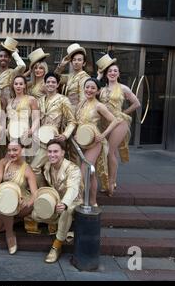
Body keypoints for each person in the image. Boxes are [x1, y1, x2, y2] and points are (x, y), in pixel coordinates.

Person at [97, 54, 141, 196]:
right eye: (109, 71)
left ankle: (111, 183)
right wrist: (98, 76)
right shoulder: (102, 89)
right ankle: (109, 181)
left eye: (115, 71)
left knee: (109, 152)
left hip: (118, 123)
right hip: (104, 123)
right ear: (106, 74)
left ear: (118, 73)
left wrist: (122, 113)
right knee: (110, 153)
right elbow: (90, 90)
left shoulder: (123, 88)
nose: (112, 73)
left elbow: (137, 103)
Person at [34, 140, 83, 263]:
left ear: (63, 153)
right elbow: (36, 171)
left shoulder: (73, 169)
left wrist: (65, 203)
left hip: (73, 202)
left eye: (55, 151)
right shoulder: (47, 167)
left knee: (67, 210)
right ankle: (59, 225)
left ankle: (57, 245)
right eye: (49, 152)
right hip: (56, 200)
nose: (52, 155)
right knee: (35, 214)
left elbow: (73, 189)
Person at [0, 141, 38, 255]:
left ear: (21, 150)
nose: (11, 153)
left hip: (21, 201)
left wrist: (28, 203)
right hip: (4, 197)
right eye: (9, 150)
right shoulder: (3, 162)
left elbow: (35, 193)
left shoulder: (27, 169)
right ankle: (14, 221)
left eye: (15, 150)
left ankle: (10, 235)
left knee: (9, 205)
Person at [74, 78, 119, 206]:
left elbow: (115, 120)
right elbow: (78, 122)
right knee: (91, 174)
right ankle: (92, 200)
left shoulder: (99, 105)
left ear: (98, 91)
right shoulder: (81, 103)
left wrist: (103, 134)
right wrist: (76, 133)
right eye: (87, 87)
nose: (89, 90)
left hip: (94, 142)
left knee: (85, 171)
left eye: (93, 88)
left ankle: (83, 201)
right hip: (81, 142)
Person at [30, 72, 76, 187]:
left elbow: (72, 121)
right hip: (40, 141)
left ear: (57, 84)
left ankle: (48, 193)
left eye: (53, 82)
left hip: (55, 141)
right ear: (44, 84)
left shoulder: (63, 100)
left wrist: (65, 135)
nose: (50, 84)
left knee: (39, 168)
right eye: (48, 82)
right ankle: (45, 192)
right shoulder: (40, 101)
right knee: (39, 168)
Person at [6, 75, 40, 158]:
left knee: (20, 158)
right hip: (10, 135)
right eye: (16, 84)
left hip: (24, 134)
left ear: (25, 85)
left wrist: (31, 130)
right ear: (13, 85)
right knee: (12, 159)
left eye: (21, 84)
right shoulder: (10, 101)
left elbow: (36, 118)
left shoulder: (31, 99)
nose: (18, 86)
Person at [55, 43, 90, 111]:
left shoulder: (85, 78)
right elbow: (55, 79)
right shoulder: (70, 76)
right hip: (67, 111)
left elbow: (83, 101)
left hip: (76, 113)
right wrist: (61, 66)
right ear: (71, 62)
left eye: (79, 60)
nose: (76, 62)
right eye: (74, 60)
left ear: (84, 63)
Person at [0, 37, 26, 101]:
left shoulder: (12, 72)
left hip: (9, 103)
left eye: (5, 56)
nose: (3, 58)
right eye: (1, 56)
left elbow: (22, 66)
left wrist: (14, 53)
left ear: (9, 59)